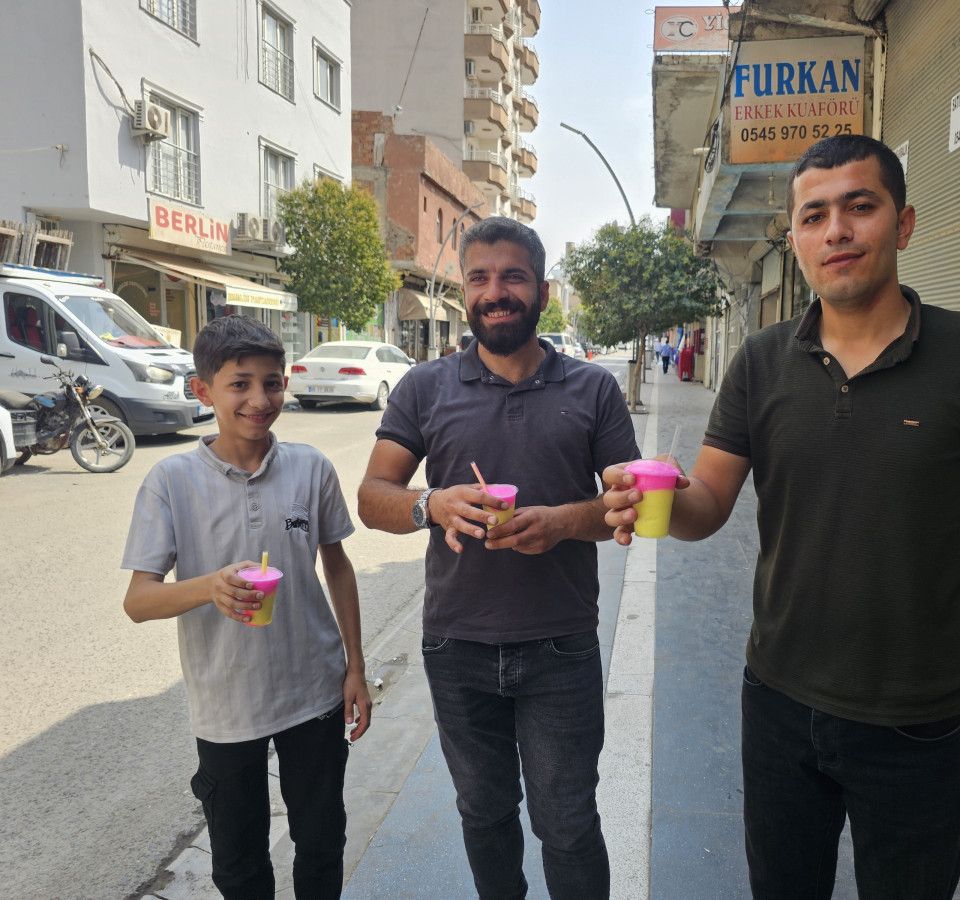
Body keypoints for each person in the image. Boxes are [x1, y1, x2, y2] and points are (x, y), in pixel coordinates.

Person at [602, 135, 960, 900]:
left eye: (860, 206)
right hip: (777, 702)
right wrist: (654, 499)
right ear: (794, 241)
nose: (837, 231)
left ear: (903, 223)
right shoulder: (760, 361)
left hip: (918, 720)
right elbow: (708, 501)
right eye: (814, 216)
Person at [358, 216, 639, 899]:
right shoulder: (424, 387)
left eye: (513, 276)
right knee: (483, 815)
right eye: (479, 278)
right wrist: (432, 505)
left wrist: (563, 522)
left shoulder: (593, 389)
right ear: (464, 291)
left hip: (561, 646)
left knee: (568, 824)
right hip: (457, 646)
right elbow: (372, 497)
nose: (495, 292)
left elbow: (624, 505)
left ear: (540, 290)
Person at [121, 315, 371, 899]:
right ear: (203, 390)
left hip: (314, 692)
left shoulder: (311, 468)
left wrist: (355, 666)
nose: (260, 400)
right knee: (239, 863)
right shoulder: (171, 481)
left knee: (321, 841)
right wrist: (209, 587)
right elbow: (138, 600)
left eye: (272, 383)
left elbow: (337, 566)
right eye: (240, 384)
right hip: (226, 704)